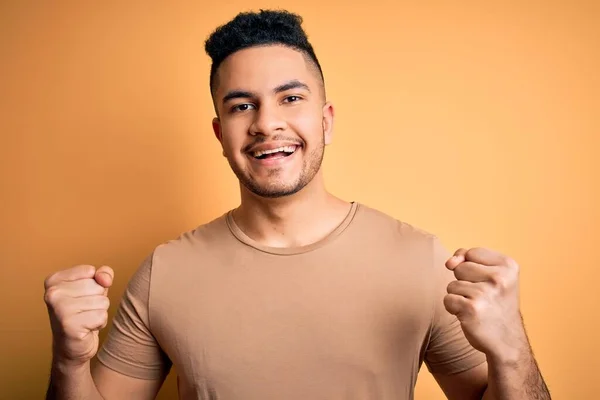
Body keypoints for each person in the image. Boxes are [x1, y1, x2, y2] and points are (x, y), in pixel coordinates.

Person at [43, 9, 551, 400]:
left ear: (326, 120)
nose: (266, 123)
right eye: (242, 106)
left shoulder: (419, 260)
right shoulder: (165, 272)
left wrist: (512, 350)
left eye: (290, 98)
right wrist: (69, 361)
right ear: (221, 134)